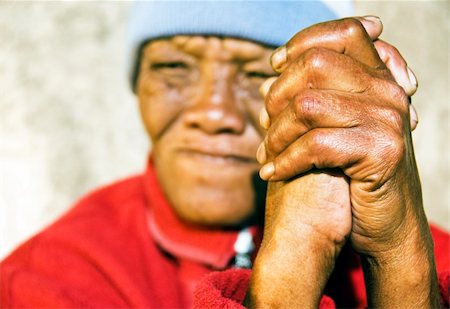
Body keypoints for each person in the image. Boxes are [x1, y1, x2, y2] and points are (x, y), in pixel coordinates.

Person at [1, 1, 449, 308]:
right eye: (174, 68)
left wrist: (398, 259)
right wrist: (291, 267)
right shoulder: (53, 276)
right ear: (137, 87)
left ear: (329, 96)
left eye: (258, 73)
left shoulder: (430, 256)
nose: (213, 113)